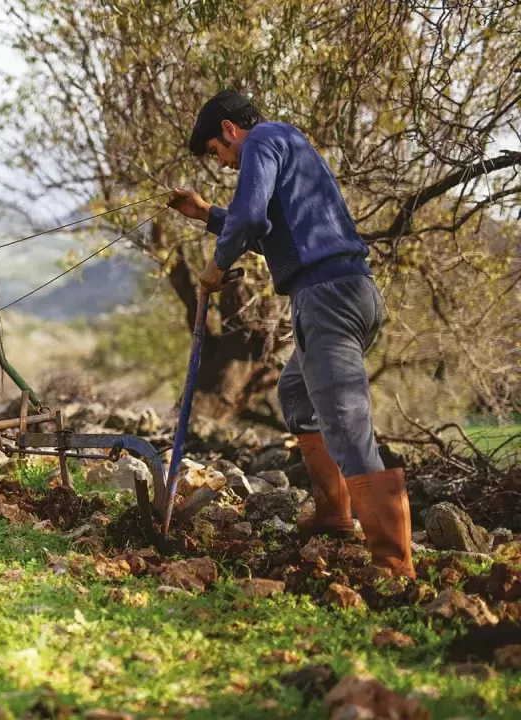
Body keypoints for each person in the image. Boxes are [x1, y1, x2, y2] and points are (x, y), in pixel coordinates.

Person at [167, 89, 414, 578]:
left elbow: (252, 217)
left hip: (327, 298)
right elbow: (265, 229)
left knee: (345, 422)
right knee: (296, 392)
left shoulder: (261, 141)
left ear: (230, 131)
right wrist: (206, 215)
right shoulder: (285, 144)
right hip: (344, 293)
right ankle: (333, 515)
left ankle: (392, 564)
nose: (222, 165)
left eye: (218, 153)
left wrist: (217, 266)